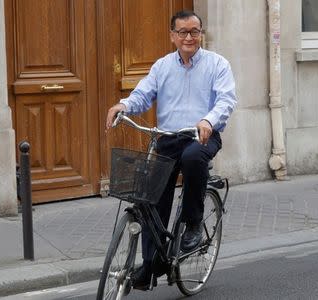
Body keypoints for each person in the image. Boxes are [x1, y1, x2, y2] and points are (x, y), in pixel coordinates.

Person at [106, 10, 237, 290]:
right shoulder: (162, 66)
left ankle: (192, 225)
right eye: (183, 32)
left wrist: (208, 120)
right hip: (167, 138)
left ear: (201, 33)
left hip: (201, 137)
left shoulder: (218, 65)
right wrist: (124, 106)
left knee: (192, 158)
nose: (189, 37)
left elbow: (226, 100)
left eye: (194, 31)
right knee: (150, 199)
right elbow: (143, 94)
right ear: (172, 36)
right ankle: (151, 265)